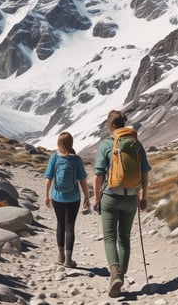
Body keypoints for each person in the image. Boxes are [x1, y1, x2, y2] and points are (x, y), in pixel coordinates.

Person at [93, 110, 151, 298]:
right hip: (131, 199)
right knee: (124, 238)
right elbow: (145, 173)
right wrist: (144, 197)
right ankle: (120, 277)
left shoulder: (107, 145)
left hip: (110, 197)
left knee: (110, 238)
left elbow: (98, 175)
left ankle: (115, 273)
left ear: (110, 126)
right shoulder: (136, 144)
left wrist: (96, 198)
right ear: (124, 123)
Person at [44, 131, 90, 268]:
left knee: (60, 225)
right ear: (71, 143)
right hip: (73, 197)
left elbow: (48, 179)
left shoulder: (54, 158)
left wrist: (46, 196)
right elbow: (82, 180)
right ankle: (69, 260)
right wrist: (87, 196)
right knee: (70, 226)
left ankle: (60, 257)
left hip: (57, 197)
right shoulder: (77, 160)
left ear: (59, 143)